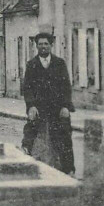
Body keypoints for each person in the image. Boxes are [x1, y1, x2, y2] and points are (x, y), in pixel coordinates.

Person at [22, 32, 75, 175]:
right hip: (39, 107)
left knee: (64, 136)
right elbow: (27, 88)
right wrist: (31, 106)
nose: (43, 47)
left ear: (51, 46)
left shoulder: (59, 63)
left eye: (46, 44)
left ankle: (68, 169)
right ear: (36, 46)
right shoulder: (31, 65)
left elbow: (66, 87)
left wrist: (65, 106)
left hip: (58, 107)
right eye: (40, 44)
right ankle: (28, 164)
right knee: (30, 133)